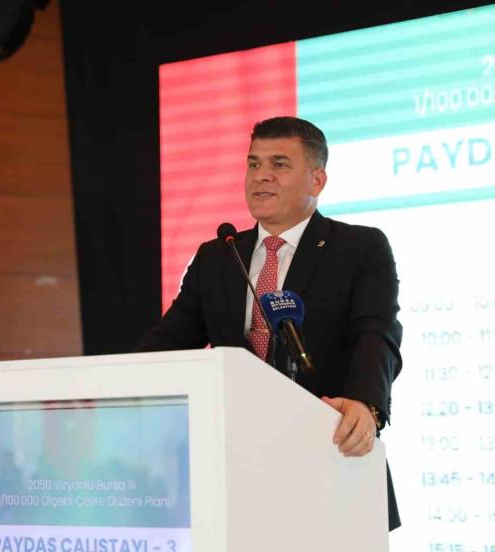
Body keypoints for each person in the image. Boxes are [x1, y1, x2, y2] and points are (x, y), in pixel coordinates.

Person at [136, 116, 403, 530]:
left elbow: (377, 332)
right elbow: (169, 341)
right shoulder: (218, 256)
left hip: (329, 456)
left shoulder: (358, 248)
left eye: (279, 164)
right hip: (236, 468)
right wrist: (108, 384)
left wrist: (366, 404)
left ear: (317, 180)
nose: (261, 176)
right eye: (253, 164)